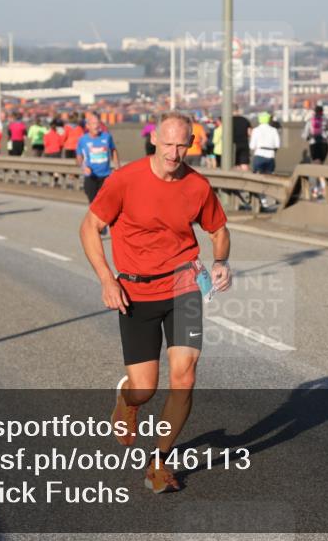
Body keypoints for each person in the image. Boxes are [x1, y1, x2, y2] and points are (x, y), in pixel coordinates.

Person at [78, 112, 231, 494]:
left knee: (185, 375)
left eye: (182, 145)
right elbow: (89, 227)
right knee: (145, 388)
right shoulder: (125, 180)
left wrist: (221, 261)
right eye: (168, 144)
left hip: (183, 286)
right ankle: (127, 400)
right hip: (136, 291)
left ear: (191, 143)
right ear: (154, 141)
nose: (174, 153)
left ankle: (159, 462)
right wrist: (106, 279)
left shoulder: (197, 185)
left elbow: (218, 229)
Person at [76, 112, 119, 208]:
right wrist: (84, 167)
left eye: (98, 123)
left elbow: (113, 150)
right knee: (94, 205)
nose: (96, 126)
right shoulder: (82, 140)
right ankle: (96, 222)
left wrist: (117, 167)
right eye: (94, 123)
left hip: (106, 176)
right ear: (88, 126)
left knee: (106, 204)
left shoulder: (107, 136)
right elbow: (79, 157)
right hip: (91, 177)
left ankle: (105, 222)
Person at [302, 105, 328, 199]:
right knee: (320, 165)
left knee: (317, 166)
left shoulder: (310, 121)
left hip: (314, 144)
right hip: (324, 145)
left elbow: (305, 135)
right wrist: (325, 135)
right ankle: (318, 188)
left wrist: (310, 137)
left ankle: (322, 187)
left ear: (314, 111)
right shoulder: (326, 120)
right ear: (322, 112)